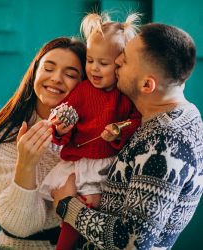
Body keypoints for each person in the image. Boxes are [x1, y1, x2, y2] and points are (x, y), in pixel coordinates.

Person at [52, 23, 203, 249]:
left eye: (126, 59)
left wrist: (66, 205)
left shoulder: (164, 142)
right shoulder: (186, 113)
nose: (118, 61)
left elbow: (133, 242)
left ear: (147, 84)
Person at [39, 13, 141, 250]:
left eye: (103, 64)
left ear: (121, 64)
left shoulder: (124, 95)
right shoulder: (83, 91)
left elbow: (135, 121)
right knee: (71, 211)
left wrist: (118, 133)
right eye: (90, 60)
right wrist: (60, 128)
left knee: (90, 209)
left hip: (106, 164)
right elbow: (64, 119)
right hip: (81, 161)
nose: (94, 68)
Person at [0, 37, 86, 249]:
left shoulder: (91, 134)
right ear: (35, 72)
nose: (56, 78)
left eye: (70, 74)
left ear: (84, 84)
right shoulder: (8, 134)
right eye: (48, 68)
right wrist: (26, 164)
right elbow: (20, 226)